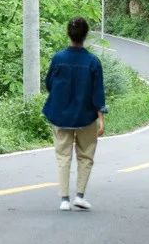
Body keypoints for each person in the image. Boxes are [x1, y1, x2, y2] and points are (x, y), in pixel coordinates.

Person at [42, 16, 106, 211]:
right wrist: (101, 118)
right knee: (85, 156)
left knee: (63, 156)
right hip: (86, 116)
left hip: (60, 115)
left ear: (68, 34)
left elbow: (49, 84)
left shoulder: (58, 59)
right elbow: (98, 94)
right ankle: (79, 195)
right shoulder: (93, 62)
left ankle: (64, 199)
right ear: (86, 35)